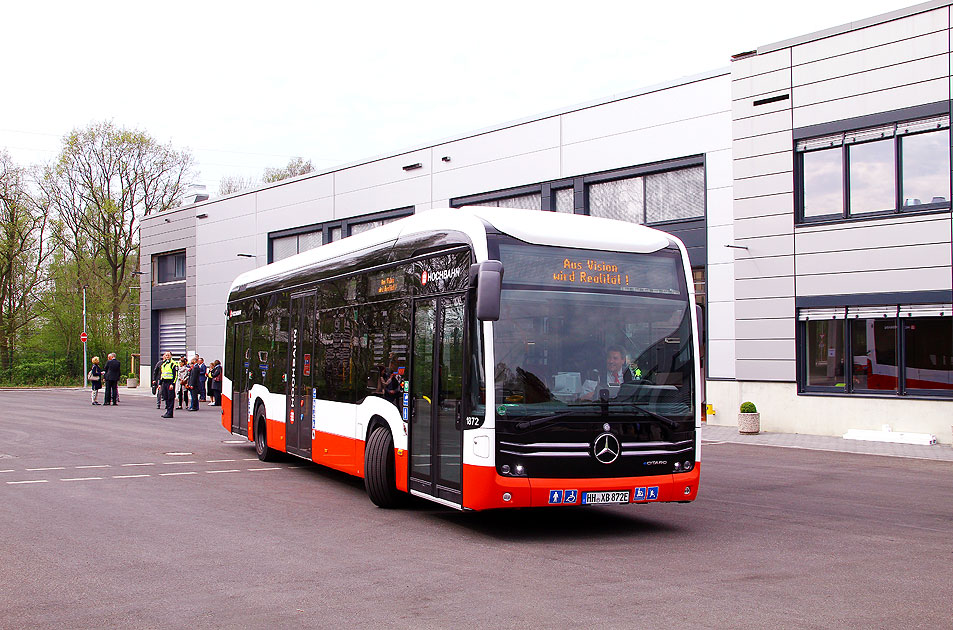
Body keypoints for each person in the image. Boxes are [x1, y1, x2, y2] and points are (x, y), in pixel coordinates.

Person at [158, 351, 177, 418]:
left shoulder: (173, 364)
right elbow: (162, 374)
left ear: (171, 356)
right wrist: (160, 384)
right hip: (164, 382)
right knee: (165, 397)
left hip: (170, 382)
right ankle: (167, 411)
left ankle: (170, 412)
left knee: (170, 397)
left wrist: (172, 383)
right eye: (166, 355)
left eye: (168, 355)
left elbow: (175, 375)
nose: (167, 356)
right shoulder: (163, 364)